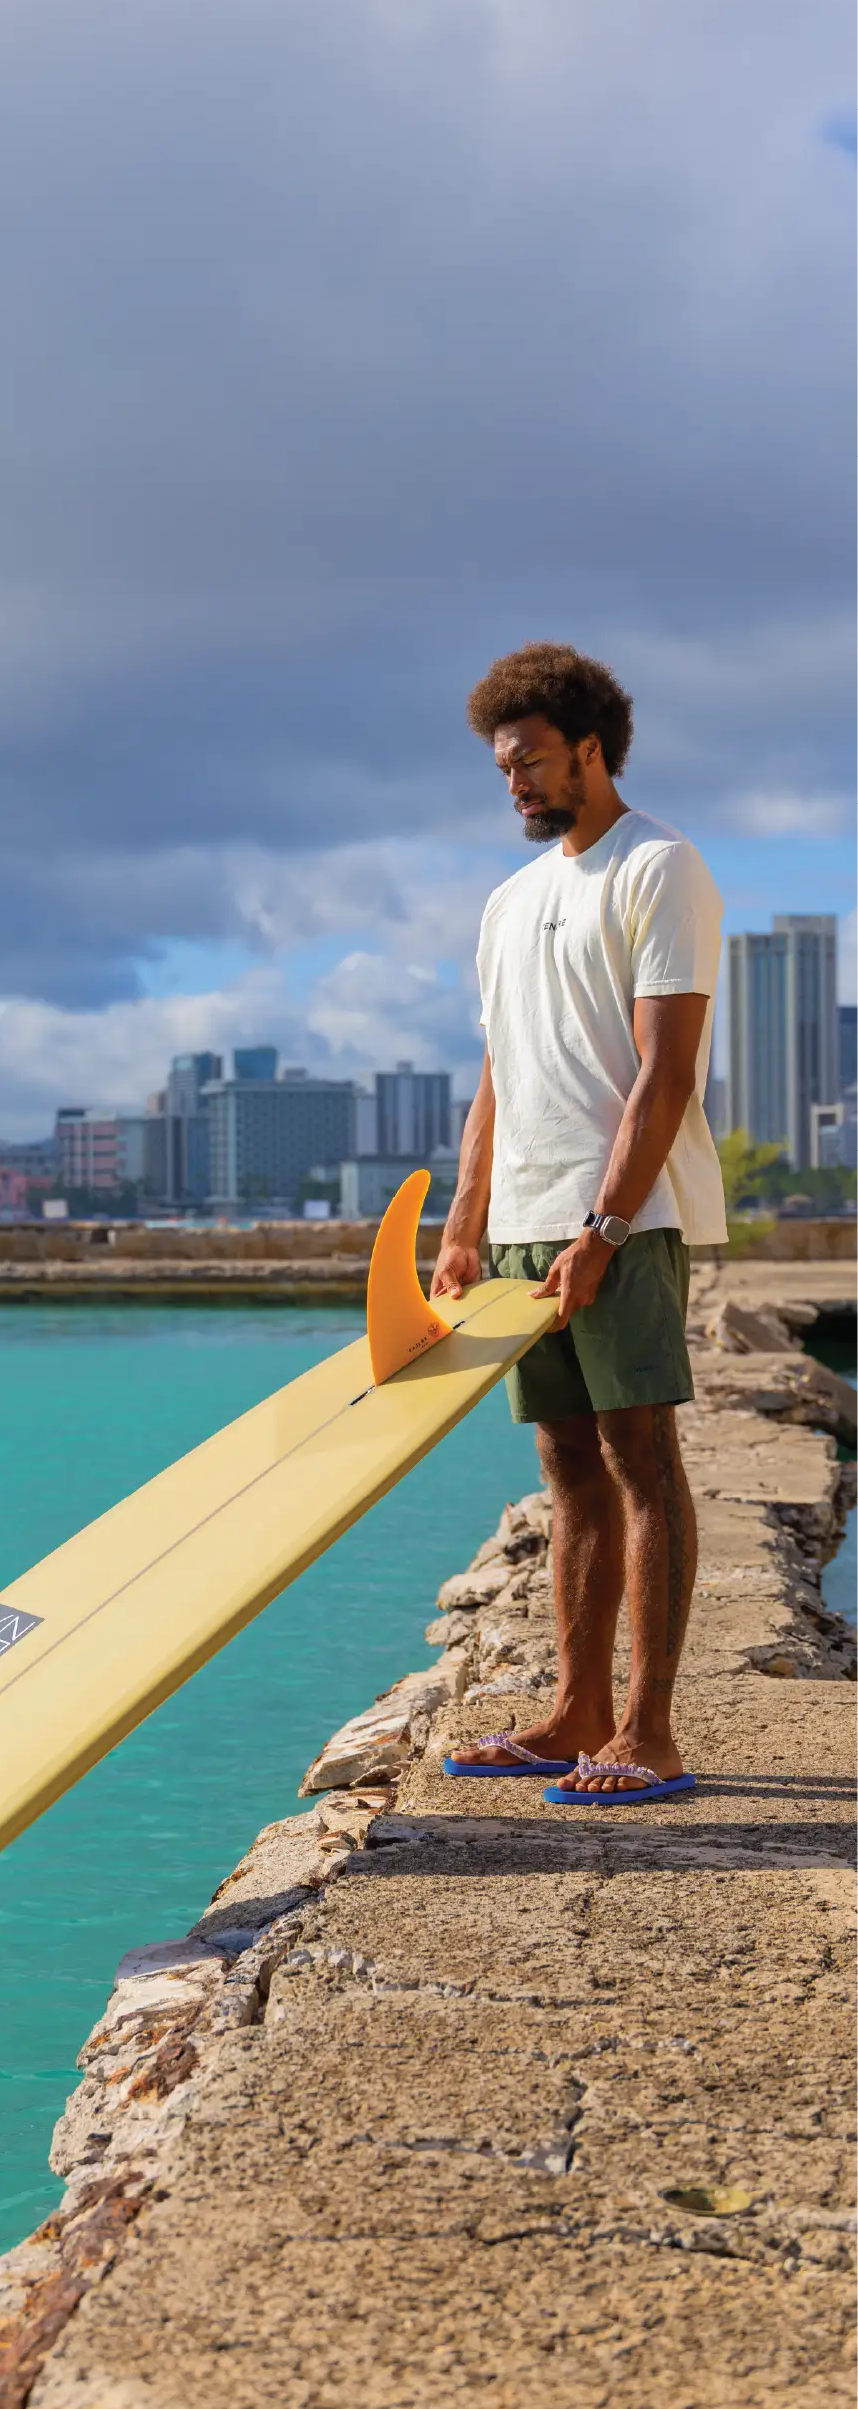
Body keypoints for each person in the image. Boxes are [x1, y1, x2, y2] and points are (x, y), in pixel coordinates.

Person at [433, 642, 725, 1806]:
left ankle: (647, 1730)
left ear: (590, 750)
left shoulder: (660, 868)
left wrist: (604, 1224)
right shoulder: (509, 901)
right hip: (522, 1222)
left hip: (625, 1217)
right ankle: (575, 1711)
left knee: (639, 1456)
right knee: (565, 1465)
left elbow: (665, 1073)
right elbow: (500, 1073)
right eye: (503, 768)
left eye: (531, 762)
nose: (514, 784)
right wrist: (464, 1219)